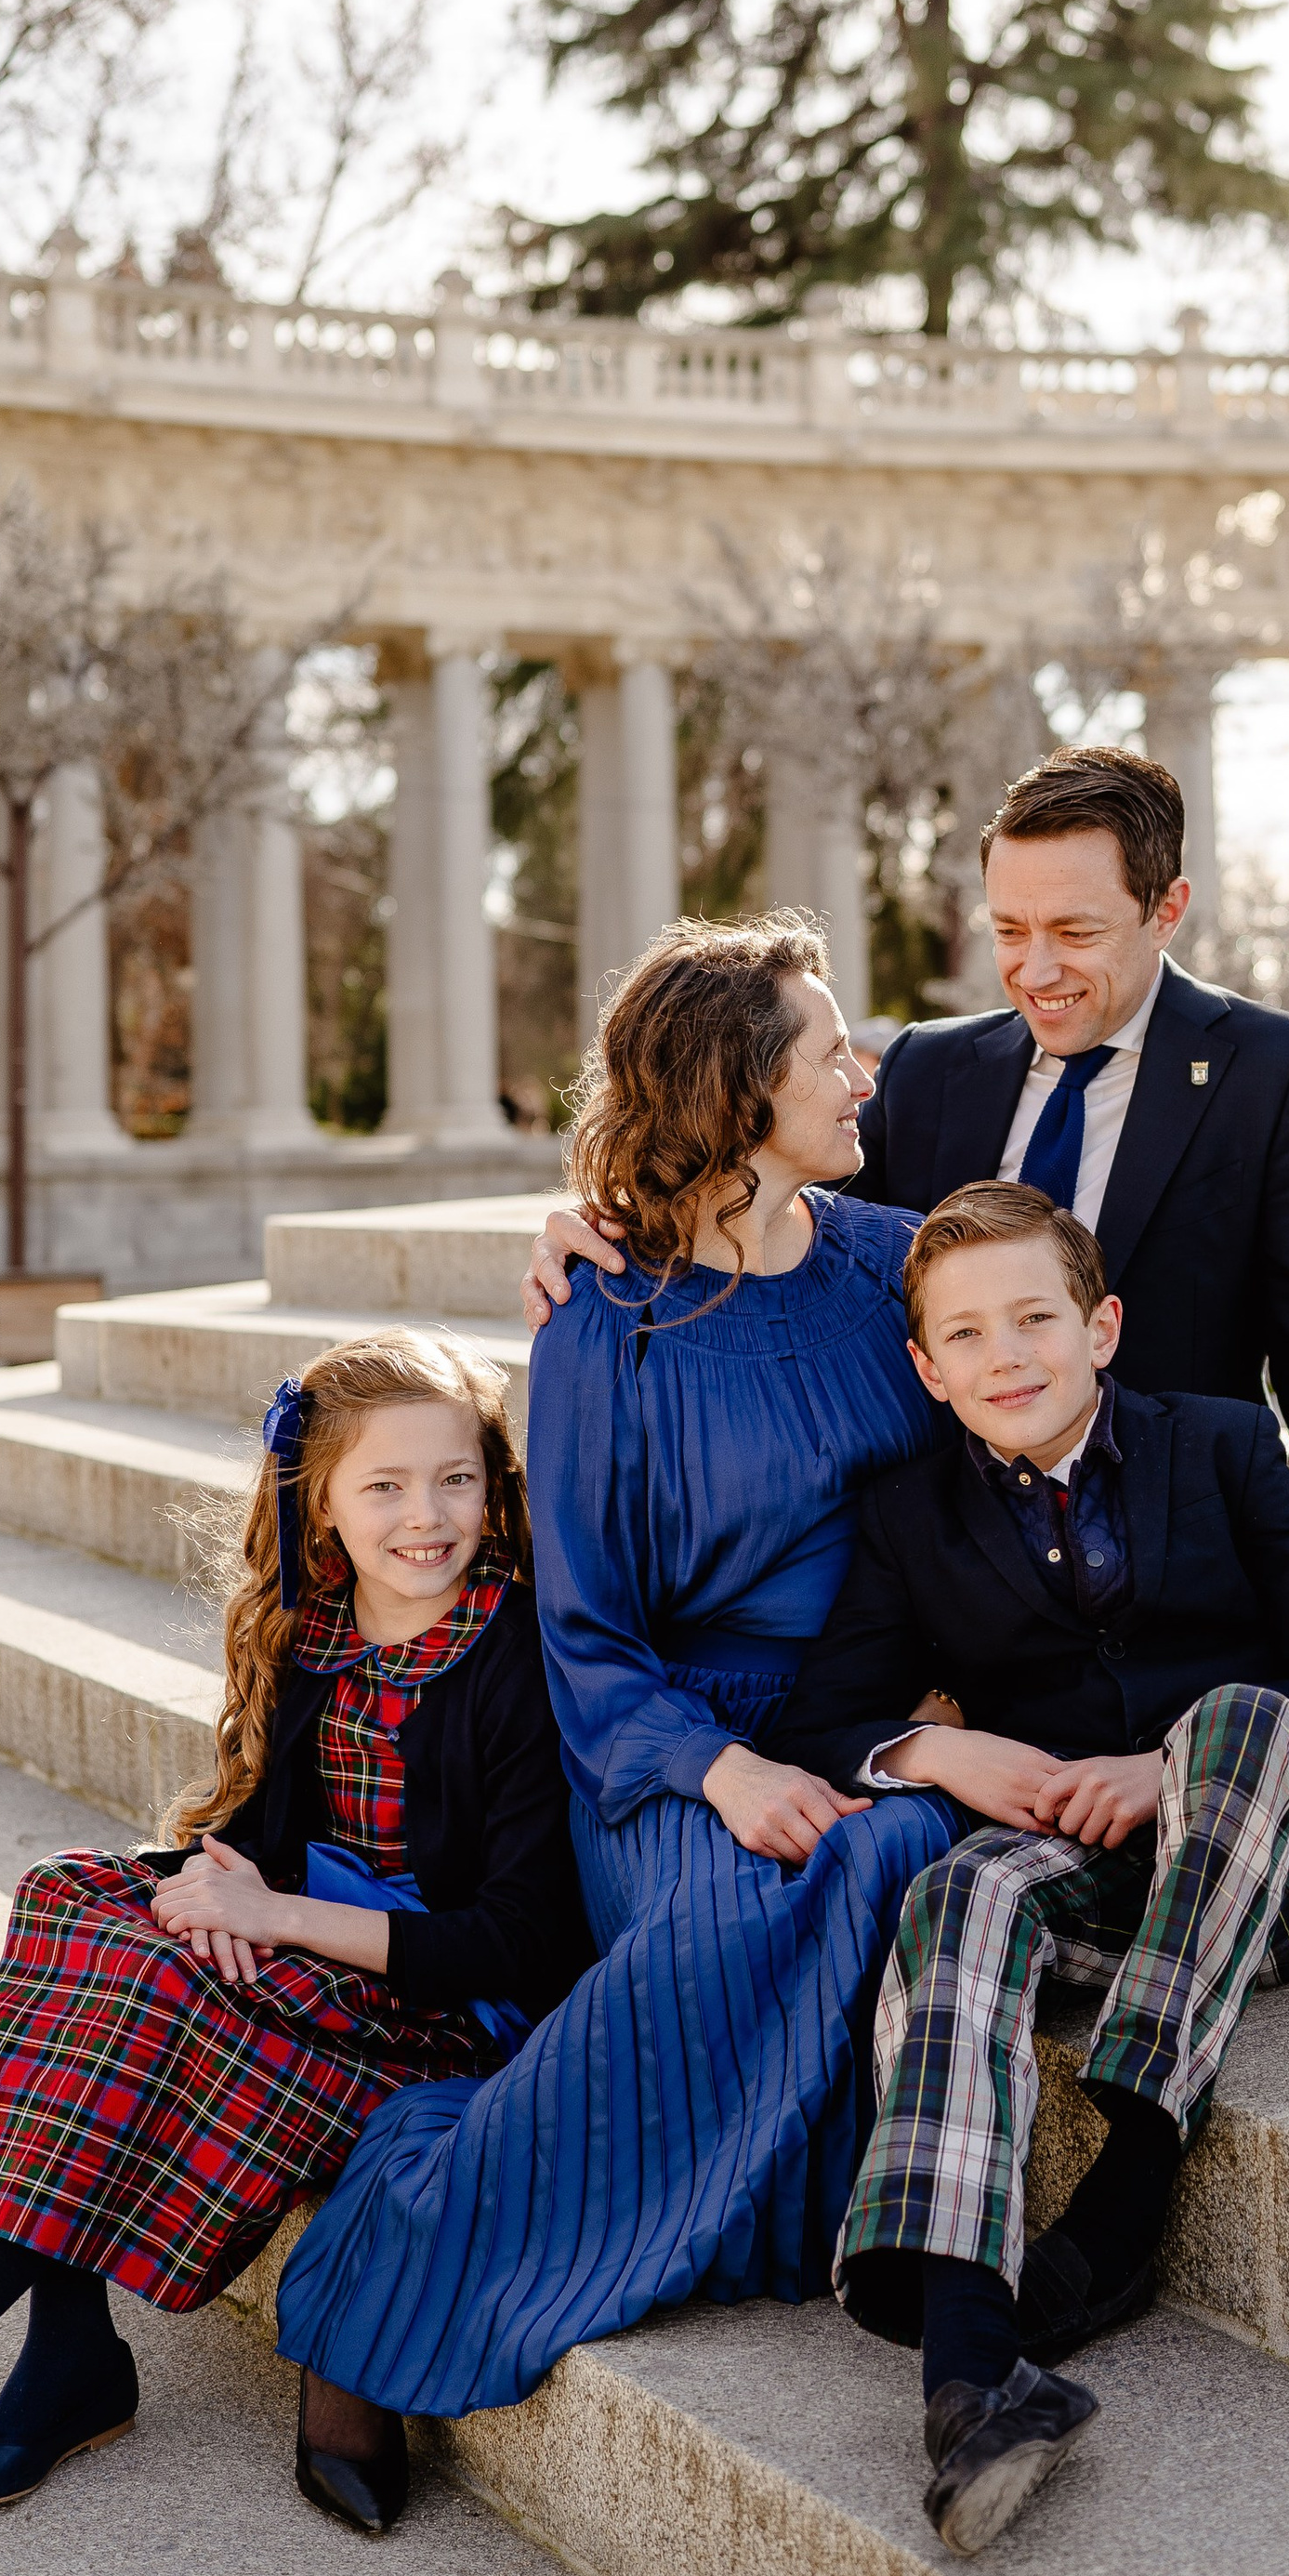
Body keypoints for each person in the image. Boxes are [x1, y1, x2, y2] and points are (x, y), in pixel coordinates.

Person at [0, 1334, 585, 2565]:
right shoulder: (313, 1637)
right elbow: (262, 1838)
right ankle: (65, 2353)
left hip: (439, 2019)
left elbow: (519, 1940)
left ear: (496, 1486)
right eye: (383, 1485)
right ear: (320, 1501)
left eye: (455, 1479)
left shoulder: (518, 1659)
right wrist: (219, 1885)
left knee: (151, 1980)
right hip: (311, 1956)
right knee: (74, 1901)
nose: (425, 1516)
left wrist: (268, 1919)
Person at [526, 744, 1289, 1717]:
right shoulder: (933, 1071)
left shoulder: (1283, 1081)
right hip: (956, 1588)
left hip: (1166, 1587)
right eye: (1008, 930)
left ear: (1166, 908)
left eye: (1075, 932)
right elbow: (779, 1213)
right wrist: (614, 1216)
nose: (1034, 968)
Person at [272, 920, 962, 2425]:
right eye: (828, 1054)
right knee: (723, 1910)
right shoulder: (605, 1323)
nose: (863, 1075)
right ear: (734, 1098)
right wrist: (719, 1769)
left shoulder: (901, 1265)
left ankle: (687, 2216)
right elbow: (580, 1632)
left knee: (897, 1839)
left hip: (868, 1721)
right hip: (660, 1739)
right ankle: (394, 2266)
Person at [762, 1178, 1289, 2556]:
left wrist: (1168, 1768)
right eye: (968, 1336)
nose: (1007, 1356)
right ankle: (965, 2370)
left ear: (1102, 1325)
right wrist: (945, 1757)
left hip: (1272, 1863)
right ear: (927, 1372)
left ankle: (1127, 2191)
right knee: (959, 1888)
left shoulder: (1228, 1447)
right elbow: (821, 1719)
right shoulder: (908, 1515)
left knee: (1236, 1716)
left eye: (1034, 1319)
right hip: (1086, 1877)